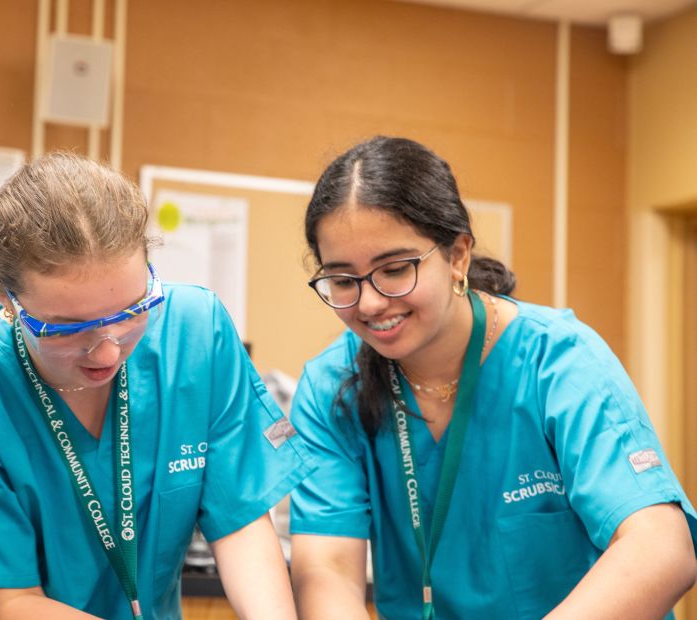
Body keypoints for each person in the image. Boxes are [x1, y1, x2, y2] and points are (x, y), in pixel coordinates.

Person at [289, 136, 697, 619]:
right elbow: (328, 571)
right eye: (342, 280)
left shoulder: (558, 361)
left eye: (395, 270)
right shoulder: (333, 389)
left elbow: (661, 548)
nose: (371, 303)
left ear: (457, 255)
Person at [0, 152, 312, 619]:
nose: (107, 352)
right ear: (4, 296)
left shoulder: (196, 333)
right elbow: (8, 602)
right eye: (65, 328)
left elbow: (239, 519)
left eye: (131, 311)